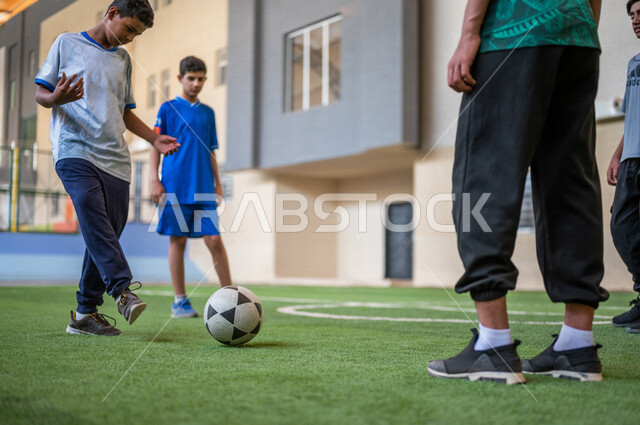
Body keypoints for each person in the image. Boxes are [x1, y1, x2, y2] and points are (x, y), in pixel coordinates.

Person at [428, 0, 608, 384]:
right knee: (572, 180)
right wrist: (579, 28)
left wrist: (469, 33)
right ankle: (576, 346)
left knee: (483, 180)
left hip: (512, 33)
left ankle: (493, 346)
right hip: (578, 36)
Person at [35, 0, 180, 336]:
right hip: (74, 149)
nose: (130, 38)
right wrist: (55, 98)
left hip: (115, 158)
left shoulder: (123, 60)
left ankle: (85, 314)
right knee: (88, 206)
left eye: (136, 34)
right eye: (129, 29)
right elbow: (41, 93)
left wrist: (154, 139)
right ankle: (122, 291)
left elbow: (125, 111)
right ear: (112, 13)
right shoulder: (66, 43)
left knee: (106, 233)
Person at [150, 56, 232, 318]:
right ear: (180, 79)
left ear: (205, 80)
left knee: (214, 239)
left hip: (204, 187)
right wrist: (154, 178)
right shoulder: (167, 108)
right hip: (175, 185)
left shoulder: (208, 113)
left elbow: (210, 150)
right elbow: (156, 143)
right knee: (179, 240)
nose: (196, 83)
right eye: (191, 78)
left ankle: (231, 296)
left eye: (200, 79)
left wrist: (218, 182)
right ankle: (180, 301)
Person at [608, 0, 640, 335]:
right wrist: (618, 153)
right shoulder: (634, 63)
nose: (636, 20)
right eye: (632, 15)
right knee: (623, 228)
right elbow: (633, 116)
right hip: (631, 159)